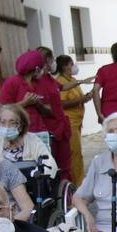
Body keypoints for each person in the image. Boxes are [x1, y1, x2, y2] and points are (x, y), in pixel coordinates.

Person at [0, 49, 68, 178]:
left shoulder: (40, 83)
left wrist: (38, 104)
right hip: (18, 133)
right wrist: (24, 103)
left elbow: (49, 110)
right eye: (41, 67)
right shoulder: (12, 83)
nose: (43, 70)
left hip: (39, 132)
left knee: (44, 167)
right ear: (36, 68)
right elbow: (3, 110)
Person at [0, 103, 58, 178]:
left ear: (21, 125)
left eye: (12, 122)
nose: (7, 127)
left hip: (30, 181)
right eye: (3, 122)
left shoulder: (32, 140)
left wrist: (38, 173)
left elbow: (49, 163)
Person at [35, 46, 74, 181]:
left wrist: (80, 81)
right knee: (52, 166)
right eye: (52, 59)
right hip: (50, 129)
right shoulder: (37, 82)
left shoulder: (49, 79)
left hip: (61, 127)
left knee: (65, 164)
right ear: (47, 60)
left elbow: (61, 87)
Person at [53, 55, 91, 183]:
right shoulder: (61, 82)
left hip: (77, 122)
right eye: (71, 64)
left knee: (78, 153)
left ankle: (79, 180)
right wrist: (80, 99)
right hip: (69, 122)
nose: (73, 67)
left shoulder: (72, 80)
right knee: (74, 154)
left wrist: (85, 97)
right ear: (64, 66)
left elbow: (77, 98)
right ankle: (76, 183)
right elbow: (61, 103)